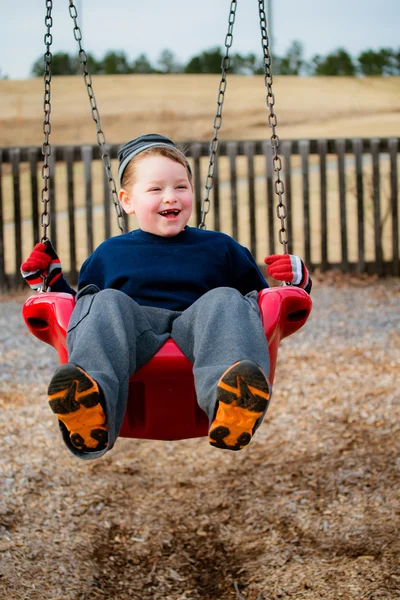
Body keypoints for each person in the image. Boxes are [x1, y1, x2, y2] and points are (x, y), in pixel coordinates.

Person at [21, 133, 312, 460]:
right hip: (134, 337)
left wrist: (296, 283)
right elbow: (83, 317)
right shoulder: (109, 253)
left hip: (204, 333)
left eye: (181, 187)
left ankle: (234, 405)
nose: (170, 197)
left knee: (227, 299)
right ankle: (90, 408)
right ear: (127, 200)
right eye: (156, 189)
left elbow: (261, 307)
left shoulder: (221, 247)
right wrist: (50, 284)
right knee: (103, 301)